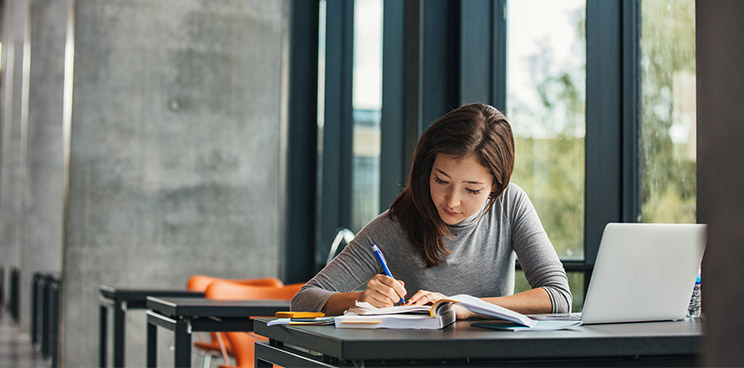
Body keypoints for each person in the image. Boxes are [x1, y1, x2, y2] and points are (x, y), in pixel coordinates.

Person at [291, 103, 571, 319]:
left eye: (471, 190)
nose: (451, 201)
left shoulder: (510, 205)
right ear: (427, 169)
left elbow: (558, 297)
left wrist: (464, 305)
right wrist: (360, 299)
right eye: (441, 180)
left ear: (496, 187)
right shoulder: (396, 225)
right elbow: (303, 299)